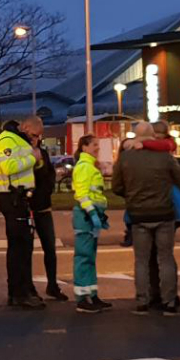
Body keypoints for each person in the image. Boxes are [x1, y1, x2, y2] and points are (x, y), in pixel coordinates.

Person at [112, 128, 180, 314]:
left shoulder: (126, 158)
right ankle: (169, 302)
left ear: (136, 136)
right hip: (164, 213)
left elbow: (116, 187)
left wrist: (132, 195)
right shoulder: (165, 157)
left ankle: (142, 302)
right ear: (152, 136)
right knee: (166, 258)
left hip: (139, 215)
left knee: (141, 260)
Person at [0, 117, 42, 309]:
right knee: (19, 247)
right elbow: (9, 167)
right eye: (35, 134)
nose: (36, 139)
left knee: (23, 246)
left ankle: (23, 289)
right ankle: (19, 292)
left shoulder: (19, 140)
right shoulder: (7, 140)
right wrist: (32, 157)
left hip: (20, 198)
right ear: (26, 127)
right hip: (12, 198)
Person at [69, 134, 111, 313]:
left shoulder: (88, 166)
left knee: (89, 258)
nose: (97, 148)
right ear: (84, 147)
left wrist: (98, 215)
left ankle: (92, 296)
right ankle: (82, 299)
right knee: (84, 257)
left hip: (90, 216)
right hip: (86, 216)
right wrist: (93, 213)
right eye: (94, 145)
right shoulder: (85, 167)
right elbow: (82, 194)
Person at [25, 118, 65, 301]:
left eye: (40, 136)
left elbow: (49, 176)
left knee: (50, 248)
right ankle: (28, 287)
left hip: (44, 207)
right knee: (26, 251)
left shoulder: (43, 153)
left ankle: (52, 284)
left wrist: (48, 187)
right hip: (27, 209)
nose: (37, 139)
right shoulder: (22, 152)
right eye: (34, 135)